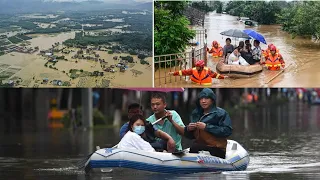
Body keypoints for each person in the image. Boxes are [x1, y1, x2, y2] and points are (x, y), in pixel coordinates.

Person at [184, 88, 233, 159]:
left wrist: (206, 127)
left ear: (212, 100)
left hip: (217, 148)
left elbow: (227, 131)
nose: (203, 101)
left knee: (195, 147)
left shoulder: (221, 113)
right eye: (201, 99)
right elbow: (190, 136)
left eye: (206, 98)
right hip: (198, 147)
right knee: (194, 147)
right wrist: (188, 129)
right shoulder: (196, 114)